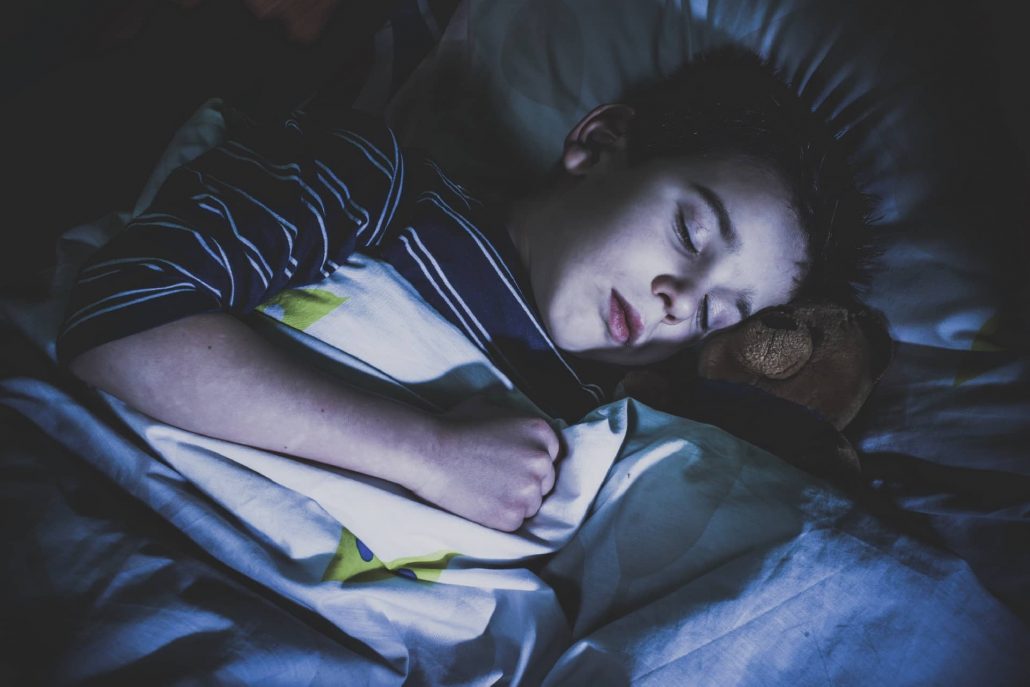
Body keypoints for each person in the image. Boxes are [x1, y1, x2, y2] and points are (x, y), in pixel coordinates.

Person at [57, 47, 874, 532]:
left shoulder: (608, 425)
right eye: (691, 233)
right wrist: (428, 452)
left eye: (715, 312)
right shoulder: (379, 183)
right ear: (601, 143)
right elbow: (123, 316)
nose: (676, 300)